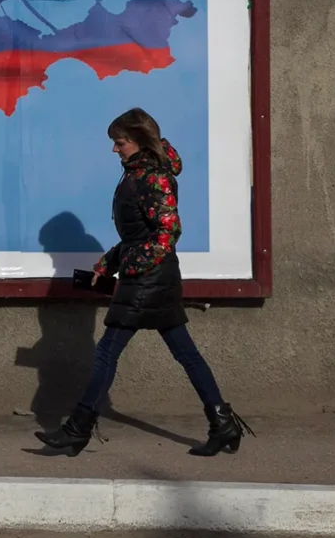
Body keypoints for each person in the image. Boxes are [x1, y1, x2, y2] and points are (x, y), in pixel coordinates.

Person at [34, 107, 252, 458]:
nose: (114, 149)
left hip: (148, 280)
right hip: (151, 277)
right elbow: (138, 235)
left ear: (137, 141)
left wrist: (130, 268)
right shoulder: (137, 174)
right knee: (186, 354)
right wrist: (107, 265)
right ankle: (223, 423)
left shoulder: (152, 177)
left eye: (119, 142)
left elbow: (169, 232)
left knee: (107, 352)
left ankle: (77, 431)